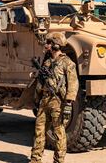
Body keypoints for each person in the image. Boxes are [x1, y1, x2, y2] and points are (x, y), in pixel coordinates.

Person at [30, 32, 78, 163]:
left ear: (56, 45)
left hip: (57, 101)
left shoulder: (67, 63)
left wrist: (68, 104)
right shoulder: (46, 63)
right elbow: (40, 84)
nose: (46, 45)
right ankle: (35, 159)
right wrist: (36, 97)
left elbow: (73, 84)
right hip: (44, 100)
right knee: (39, 131)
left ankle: (59, 161)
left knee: (58, 133)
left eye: (49, 43)